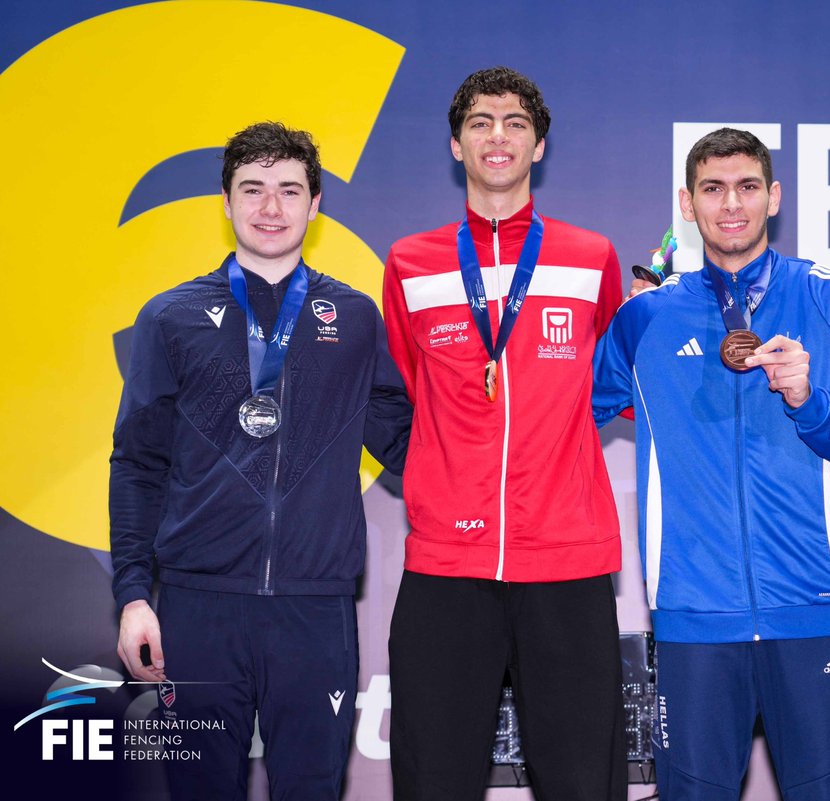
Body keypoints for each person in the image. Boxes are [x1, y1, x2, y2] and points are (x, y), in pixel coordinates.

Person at [109, 121, 412, 800]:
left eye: (287, 190)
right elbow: (136, 463)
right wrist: (133, 593)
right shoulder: (170, 317)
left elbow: (405, 441)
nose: (270, 208)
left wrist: (506, 418)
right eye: (252, 189)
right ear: (225, 201)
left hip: (315, 611)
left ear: (316, 203)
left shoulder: (354, 316)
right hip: (197, 608)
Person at [592, 127, 830, 800]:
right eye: (713, 188)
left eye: (748, 187)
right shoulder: (647, 318)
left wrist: (809, 399)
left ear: (774, 196)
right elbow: (566, 417)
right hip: (693, 617)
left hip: (813, 610)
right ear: (688, 202)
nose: (732, 204)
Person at [382, 67, 626, 801]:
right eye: (481, 122)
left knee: (584, 780)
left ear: (539, 145)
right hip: (447, 566)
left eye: (515, 122)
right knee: (433, 781)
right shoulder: (410, 263)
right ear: (456, 145)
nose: (498, 135)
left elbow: (615, 384)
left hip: (566, 559)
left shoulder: (591, 257)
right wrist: (435, 474)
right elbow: (399, 397)